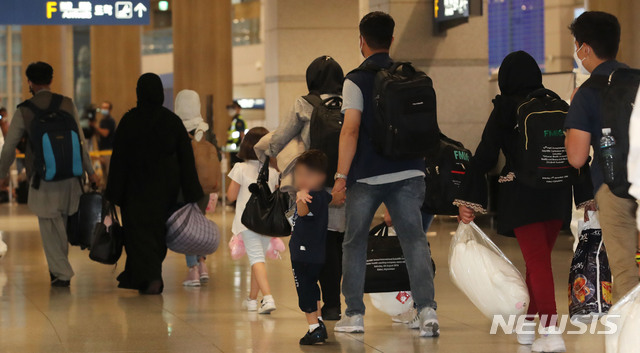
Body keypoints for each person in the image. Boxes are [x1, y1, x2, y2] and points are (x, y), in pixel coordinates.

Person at [456, 51, 594, 352]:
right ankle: (528, 327)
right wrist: (586, 197)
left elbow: (485, 156)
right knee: (538, 261)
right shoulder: (558, 105)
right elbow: (579, 152)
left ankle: (552, 331)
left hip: (523, 194)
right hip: (557, 192)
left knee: (537, 261)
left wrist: (468, 199)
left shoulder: (506, 107)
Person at [332, 11, 439, 337]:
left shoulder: (355, 79)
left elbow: (350, 130)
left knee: (354, 244)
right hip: (409, 171)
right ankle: (427, 311)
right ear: (391, 40)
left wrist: (340, 177)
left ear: (361, 40)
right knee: (414, 242)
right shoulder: (410, 76)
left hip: (366, 176)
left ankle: (354, 315)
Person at [0, 61, 99, 287]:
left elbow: (9, 147)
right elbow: (81, 143)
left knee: (49, 226)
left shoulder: (24, 110)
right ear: (51, 80)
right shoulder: (67, 103)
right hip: (71, 177)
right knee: (61, 225)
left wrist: (2, 173)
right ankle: (59, 269)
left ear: (30, 83)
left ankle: (61, 273)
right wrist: (91, 172)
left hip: (43, 179)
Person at [264, 55, 347, 320]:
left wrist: (265, 155)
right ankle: (335, 302)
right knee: (339, 241)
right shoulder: (352, 102)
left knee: (318, 242)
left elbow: (280, 137)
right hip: (344, 183)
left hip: (315, 185)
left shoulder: (305, 103)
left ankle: (319, 302)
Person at [105, 73, 203, 295]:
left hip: (134, 193)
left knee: (137, 236)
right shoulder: (172, 122)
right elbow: (186, 160)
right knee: (157, 236)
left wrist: (113, 193)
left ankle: (149, 278)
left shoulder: (129, 121)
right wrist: (191, 192)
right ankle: (151, 276)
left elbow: (118, 159)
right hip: (164, 192)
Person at [564, 11, 637, 302]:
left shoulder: (587, 92)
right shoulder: (636, 80)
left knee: (625, 269)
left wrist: (572, 116)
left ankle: (633, 336)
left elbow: (577, 157)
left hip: (613, 187)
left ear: (585, 48)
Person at [291, 150, 345, 345]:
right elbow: (335, 199)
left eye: (307, 175)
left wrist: (300, 198)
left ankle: (313, 327)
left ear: (320, 177)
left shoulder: (308, 196)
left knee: (305, 290)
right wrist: (338, 194)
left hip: (302, 255)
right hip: (317, 255)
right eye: (299, 174)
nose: (302, 179)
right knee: (313, 288)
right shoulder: (323, 195)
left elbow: (303, 212)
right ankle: (319, 324)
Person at [227, 127, 279, 314]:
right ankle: (251, 300)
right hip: (266, 224)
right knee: (258, 260)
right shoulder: (273, 171)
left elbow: (231, 196)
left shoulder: (239, 168)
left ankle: (268, 298)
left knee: (256, 259)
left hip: (247, 222)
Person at [174, 89, 214, 287]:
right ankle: (202, 264)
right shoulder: (205, 130)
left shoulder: (176, 130)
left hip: (184, 187)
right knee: (198, 224)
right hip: (204, 188)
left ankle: (193, 271)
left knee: (187, 228)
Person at [226, 101, 246, 166]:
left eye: (232, 108)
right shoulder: (234, 120)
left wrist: (243, 148)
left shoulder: (239, 121)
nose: (230, 111)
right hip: (234, 149)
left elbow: (242, 135)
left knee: (237, 168)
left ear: (238, 109)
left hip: (237, 149)